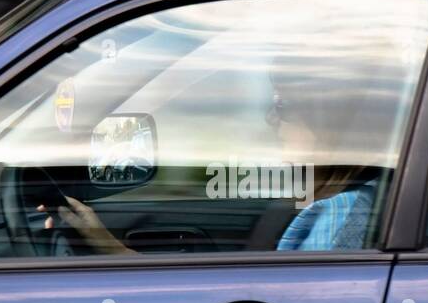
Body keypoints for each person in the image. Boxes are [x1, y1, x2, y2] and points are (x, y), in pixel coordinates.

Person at [39, 41, 404, 255]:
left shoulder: (342, 215)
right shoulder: (314, 194)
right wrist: (109, 247)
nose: (270, 119)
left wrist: (113, 254)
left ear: (330, 120)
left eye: (283, 105)